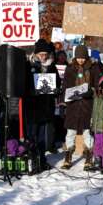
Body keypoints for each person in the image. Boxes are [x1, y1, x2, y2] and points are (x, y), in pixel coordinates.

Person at [61, 45, 100, 170]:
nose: (81, 60)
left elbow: (97, 85)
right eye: (78, 57)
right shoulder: (70, 68)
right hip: (73, 105)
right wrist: (64, 100)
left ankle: (89, 157)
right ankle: (68, 157)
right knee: (70, 132)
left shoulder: (93, 68)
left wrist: (91, 91)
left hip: (87, 105)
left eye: (83, 57)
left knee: (87, 131)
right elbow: (65, 87)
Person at [25, 39, 60, 172]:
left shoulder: (52, 66)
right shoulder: (29, 65)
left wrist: (56, 90)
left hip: (46, 106)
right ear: (36, 53)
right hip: (32, 106)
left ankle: (41, 159)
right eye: (41, 54)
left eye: (45, 54)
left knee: (41, 136)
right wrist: (31, 91)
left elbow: (57, 82)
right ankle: (32, 160)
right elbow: (23, 84)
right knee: (31, 135)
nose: (43, 56)